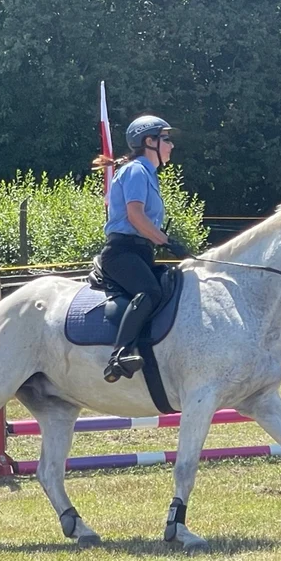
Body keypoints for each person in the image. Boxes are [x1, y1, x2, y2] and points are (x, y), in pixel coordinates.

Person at [92, 115, 191, 383]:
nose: (171, 145)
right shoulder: (136, 170)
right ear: (150, 141)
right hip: (123, 252)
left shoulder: (147, 174)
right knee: (149, 291)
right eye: (166, 139)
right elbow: (135, 216)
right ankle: (119, 355)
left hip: (140, 251)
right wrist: (167, 240)